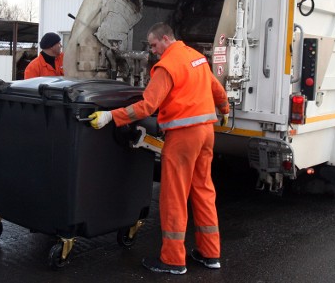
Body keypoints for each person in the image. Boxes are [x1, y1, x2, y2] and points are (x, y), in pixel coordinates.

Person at [88, 22, 229, 275]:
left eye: (154, 45)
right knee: (204, 192)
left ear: (165, 39)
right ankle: (210, 254)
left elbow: (146, 106)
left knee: (174, 196)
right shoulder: (196, 58)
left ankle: (174, 261)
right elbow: (216, 88)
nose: (153, 51)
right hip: (206, 133)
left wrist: (111, 116)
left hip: (183, 136)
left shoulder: (166, 66)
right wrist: (225, 109)